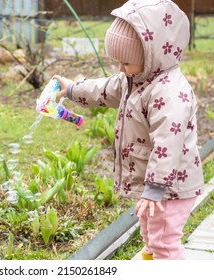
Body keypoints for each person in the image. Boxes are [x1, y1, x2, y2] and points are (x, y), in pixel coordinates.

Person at [53, 0, 204, 260]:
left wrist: (155, 188)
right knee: (151, 237)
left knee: (165, 245)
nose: (120, 69)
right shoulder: (135, 79)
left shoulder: (170, 93)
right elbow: (102, 89)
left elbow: (168, 142)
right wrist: (71, 89)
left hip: (169, 188)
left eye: (126, 62)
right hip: (156, 186)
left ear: (151, 55)